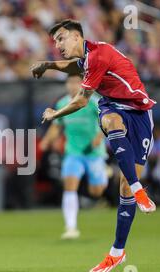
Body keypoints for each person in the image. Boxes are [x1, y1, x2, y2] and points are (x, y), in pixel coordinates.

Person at [31, 19, 156, 272]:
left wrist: (56, 114)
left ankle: (117, 253)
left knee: (122, 189)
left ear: (77, 37)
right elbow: (71, 67)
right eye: (55, 40)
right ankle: (138, 189)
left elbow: (80, 101)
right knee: (110, 120)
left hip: (141, 114)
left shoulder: (98, 56)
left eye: (61, 38)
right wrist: (48, 65)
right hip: (112, 106)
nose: (58, 44)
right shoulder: (87, 58)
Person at [40, 74, 107, 240]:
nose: (73, 86)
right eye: (70, 82)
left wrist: (100, 136)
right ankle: (71, 227)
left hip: (93, 153)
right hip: (73, 152)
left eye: (77, 82)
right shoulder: (63, 104)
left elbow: (106, 120)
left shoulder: (94, 101)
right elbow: (57, 125)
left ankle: (106, 175)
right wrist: (47, 141)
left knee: (96, 191)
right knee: (70, 186)